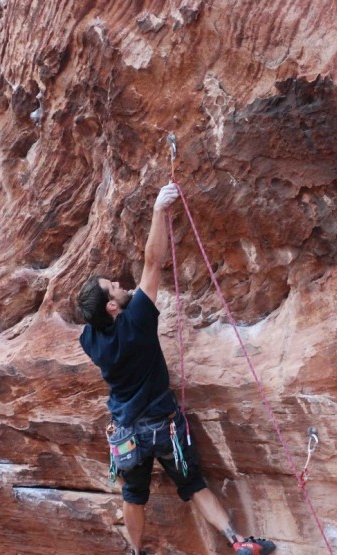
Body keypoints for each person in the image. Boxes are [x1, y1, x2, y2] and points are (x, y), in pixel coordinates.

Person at [77, 183, 276, 555]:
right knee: (194, 485)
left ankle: (136, 553)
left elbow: (96, 312)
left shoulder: (90, 340)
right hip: (164, 425)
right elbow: (153, 263)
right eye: (112, 288)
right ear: (112, 309)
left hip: (127, 433)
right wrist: (158, 211)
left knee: (133, 496)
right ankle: (237, 541)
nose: (120, 285)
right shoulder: (137, 320)